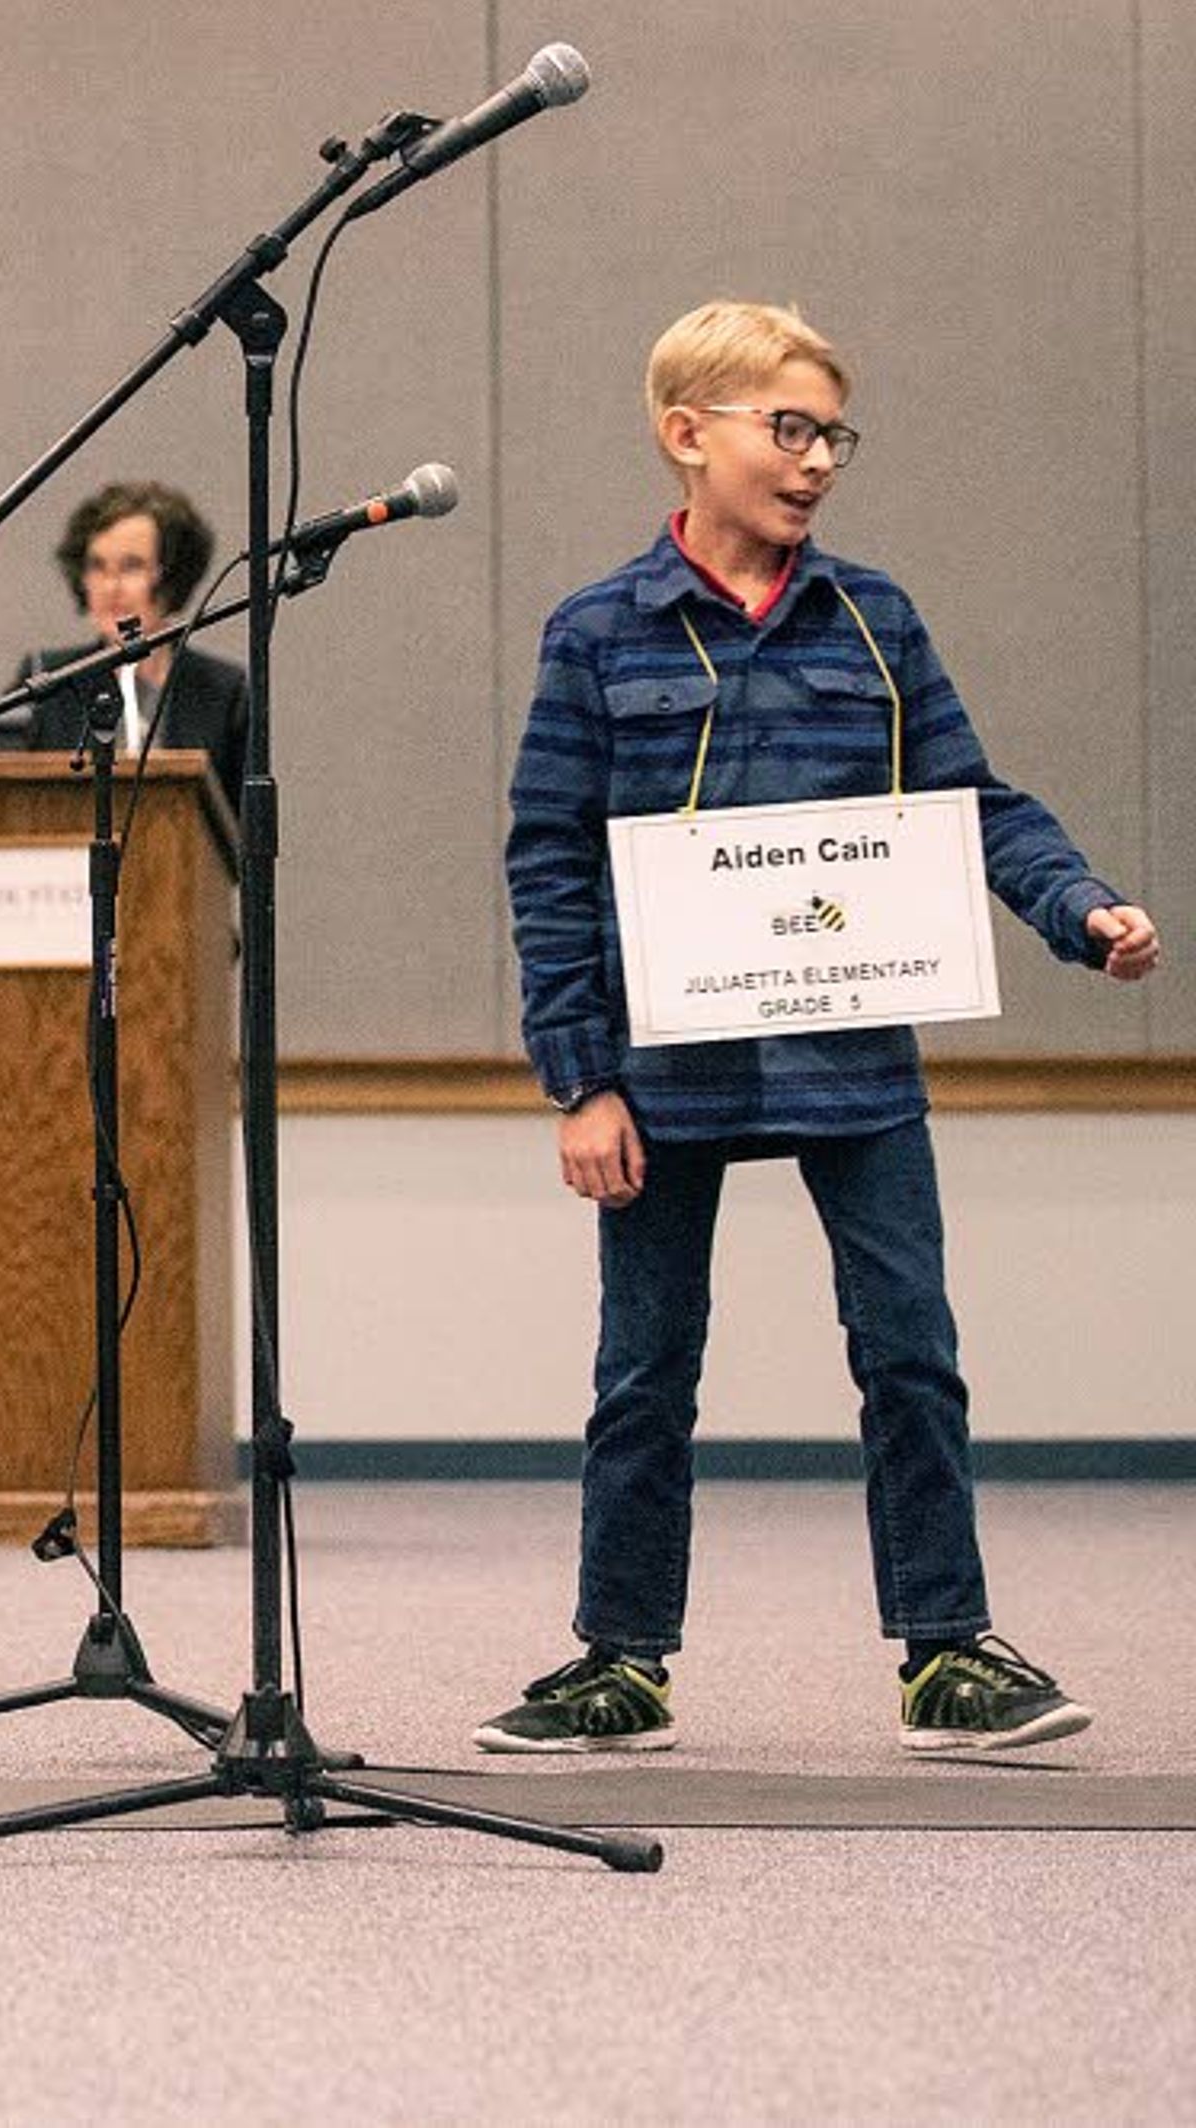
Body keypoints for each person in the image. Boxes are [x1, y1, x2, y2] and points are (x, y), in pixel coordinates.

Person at [479, 299, 1160, 1756]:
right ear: (687, 434)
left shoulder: (875, 619)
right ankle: (619, 1659)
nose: (816, 463)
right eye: (787, 430)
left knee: (911, 1351)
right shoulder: (599, 633)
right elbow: (549, 862)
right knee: (644, 1373)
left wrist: (1077, 906)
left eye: (831, 436)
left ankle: (947, 1652)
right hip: (666, 1076)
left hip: (855, 1065)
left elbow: (972, 803)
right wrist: (579, 1082)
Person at [16, 480, 249, 770]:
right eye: (98, 566)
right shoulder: (47, 680)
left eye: (131, 566)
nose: (111, 586)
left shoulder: (223, 692)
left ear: (172, 575)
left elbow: (236, 812)